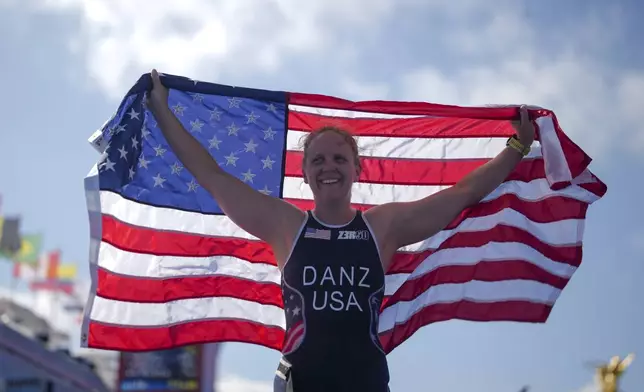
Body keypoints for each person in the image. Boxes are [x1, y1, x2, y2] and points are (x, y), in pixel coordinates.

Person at [146, 69, 536, 392]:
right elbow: (212, 176)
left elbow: (463, 193)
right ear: (305, 173)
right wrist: (162, 109)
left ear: (357, 169)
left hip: (365, 383)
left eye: (338, 158)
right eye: (317, 160)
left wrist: (517, 146)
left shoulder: (383, 226)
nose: (328, 166)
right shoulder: (286, 226)